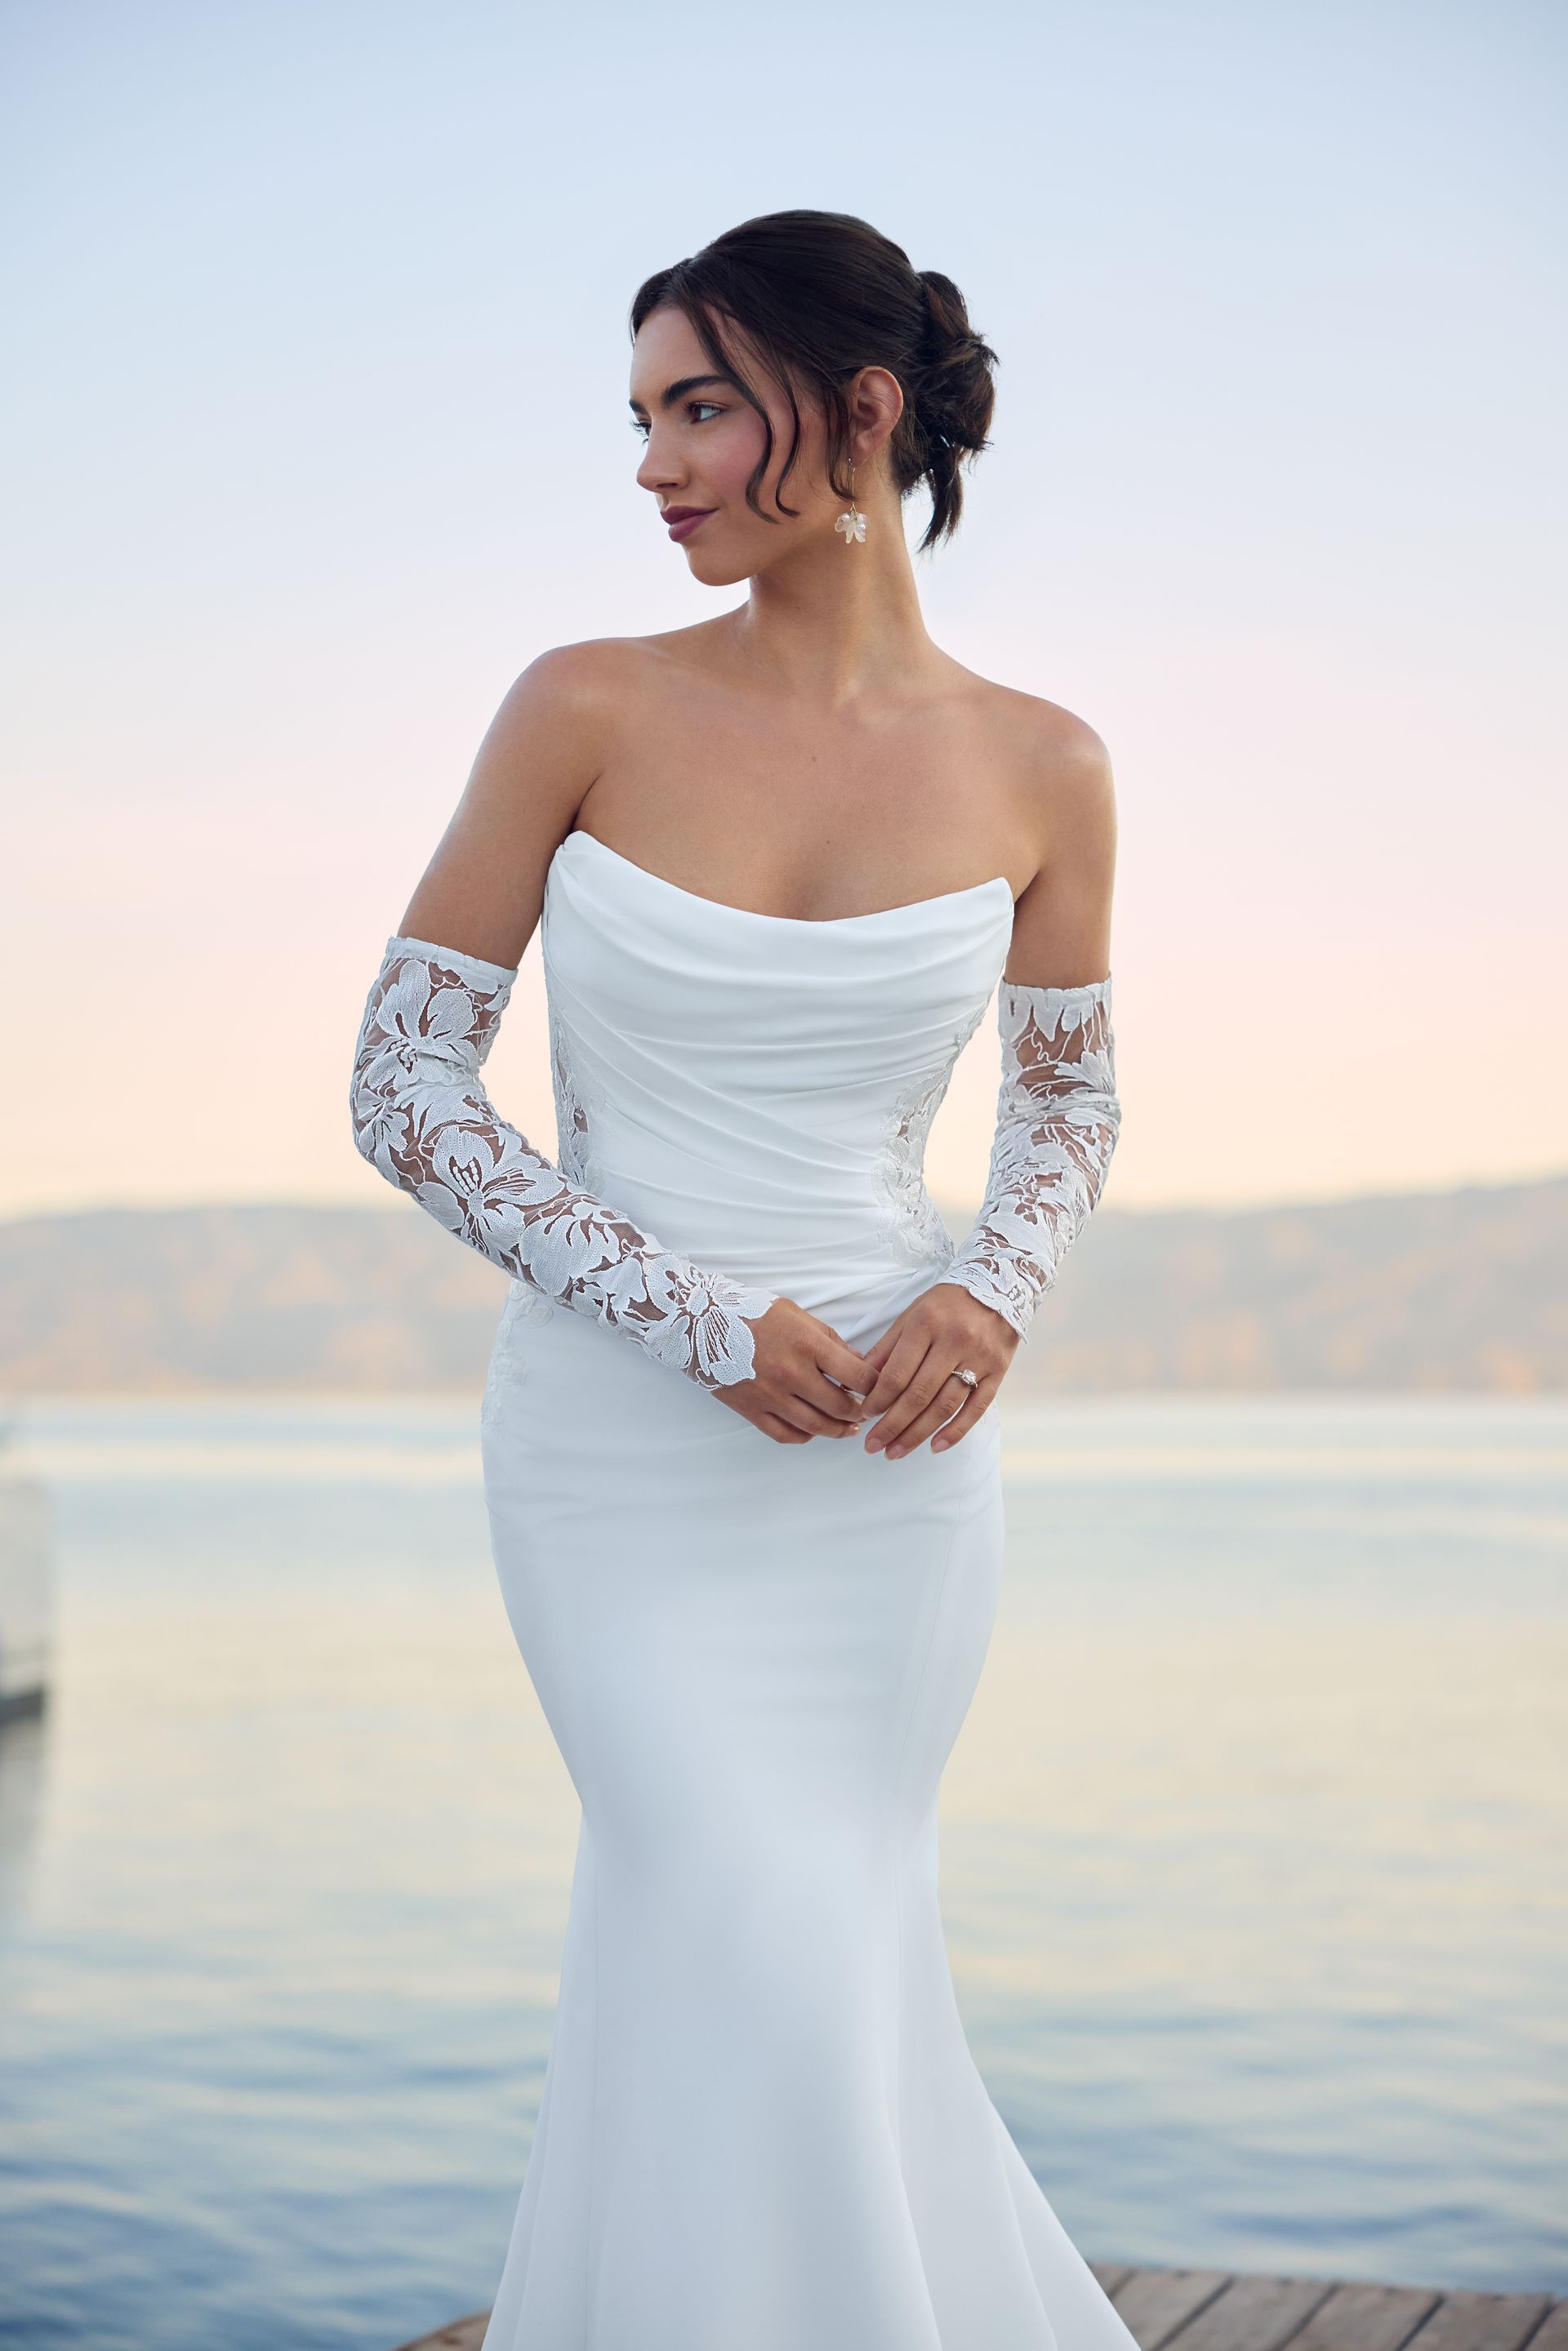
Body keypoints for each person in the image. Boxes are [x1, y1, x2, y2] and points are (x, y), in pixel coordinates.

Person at [350, 208, 1128, 2351]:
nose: (653, 462)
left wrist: (994, 1293)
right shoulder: (580, 706)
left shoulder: (1047, 762)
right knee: (737, 1913)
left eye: (700, 405)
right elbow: (406, 1081)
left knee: (818, 1944)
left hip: (891, 1456)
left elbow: (1067, 1108)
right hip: (618, 1446)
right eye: (642, 416)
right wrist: (687, 1318)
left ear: (860, 412)